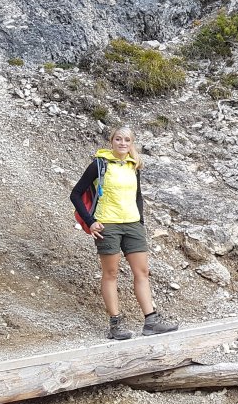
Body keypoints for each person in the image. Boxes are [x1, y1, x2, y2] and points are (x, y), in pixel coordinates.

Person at [70, 125, 179, 340]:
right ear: (112, 141)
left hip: (133, 225)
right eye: (118, 139)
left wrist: (141, 222)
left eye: (127, 140)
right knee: (111, 274)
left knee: (142, 272)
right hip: (107, 225)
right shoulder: (99, 164)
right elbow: (75, 194)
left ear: (131, 143)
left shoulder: (133, 165)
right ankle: (115, 325)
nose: (122, 143)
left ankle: (151, 322)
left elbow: (138, 197)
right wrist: (91, 222)